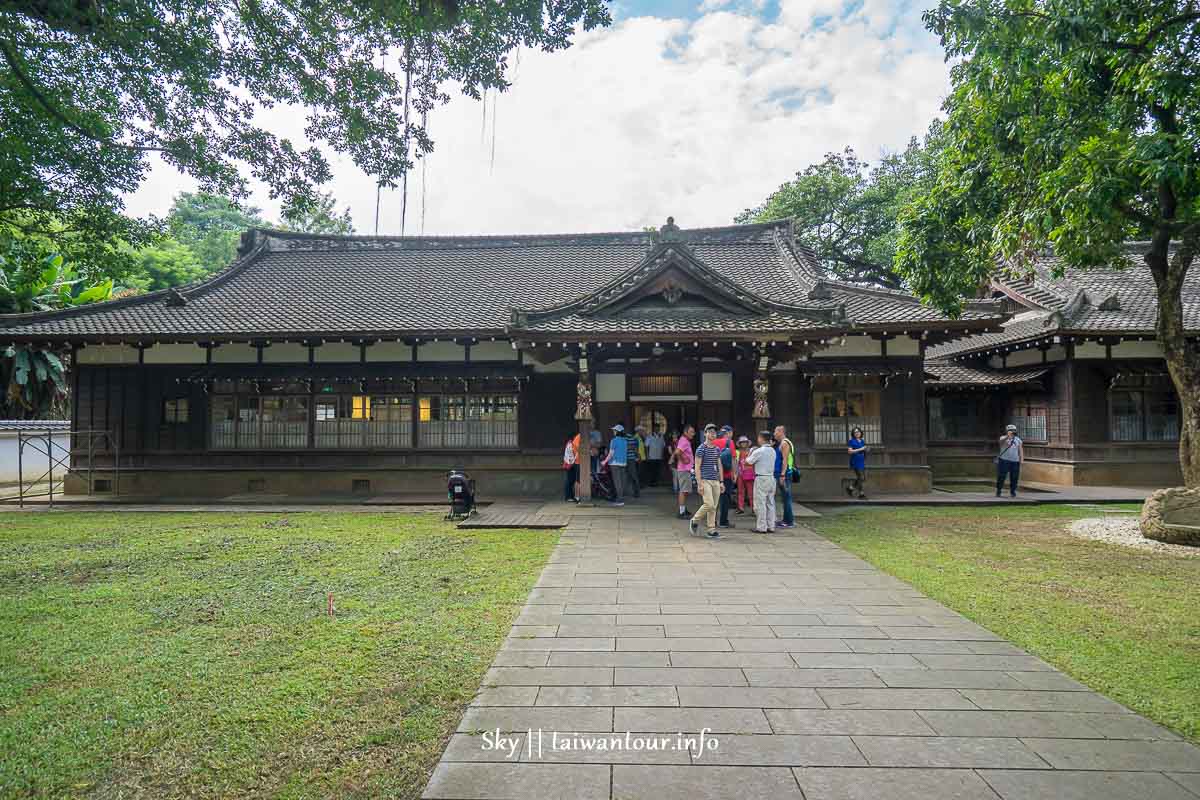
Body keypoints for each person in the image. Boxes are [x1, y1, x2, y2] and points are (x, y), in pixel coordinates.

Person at [689, 424, 723, 538]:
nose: (712, 434)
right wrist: (699, 484)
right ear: (705, 433)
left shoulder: (717, 449)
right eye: (710, 432)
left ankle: (711, 529)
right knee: (709, 503)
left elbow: (719, 465)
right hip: (705, 479)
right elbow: (697, 466)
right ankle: (695, 520)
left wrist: (721, 481)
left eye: (714, 432)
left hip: (715, 480)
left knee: (714, 506)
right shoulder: (701, 448)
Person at [746, 430, 778, 533]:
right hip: (771, 478)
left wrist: (751, 451)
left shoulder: (760, 450)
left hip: (761, 478)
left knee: (760, 503)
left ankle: (761, 527)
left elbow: (748, 461)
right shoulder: (773, 450)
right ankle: (771, 525)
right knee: (770, 503)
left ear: (761, 438)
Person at [713, 424, 736, 529]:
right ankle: (723, 521)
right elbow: (733, 459)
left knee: (713, 499)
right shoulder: (729, 442)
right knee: (725, 499)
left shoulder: (713, 442)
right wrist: (735, 473)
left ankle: (712, 521)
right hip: (726, 475)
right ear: (728, 433)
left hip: (713, 474)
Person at [773, 425, 795, 528]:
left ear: (781, 432)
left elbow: (785, 460)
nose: (774, 434)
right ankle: (785, 520)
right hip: (782, 473)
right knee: (785, 498)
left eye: (775, 432)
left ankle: (789, 521)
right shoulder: (781, 443)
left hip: (785, 474)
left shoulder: (785, 443)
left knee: (787, 498)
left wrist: (782, 475)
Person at [671, 424, 695, 519]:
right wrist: (683, 459)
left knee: (685, 490)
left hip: (685, 469)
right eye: (691, 432)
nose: (693, 434)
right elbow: (677, 452)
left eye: (693, 432)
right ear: (685, 432)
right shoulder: (684, 441)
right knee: (683, 490)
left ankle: (683, 509)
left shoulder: (684, 440)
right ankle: (681, 512)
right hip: (684, 470)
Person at [602, 424, 628, 507]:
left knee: (617, 482)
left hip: (615, 463)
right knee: (622, 481)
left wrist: (604, 461)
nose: (613, 431)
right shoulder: (625, 441)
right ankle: (621, 498)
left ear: (617, 432)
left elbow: (611, 454)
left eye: (614, 430)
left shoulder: (614, 440)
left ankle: (620, 500)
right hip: (623, 463)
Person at [996, 423, 1024, 498]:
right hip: (1004, 460)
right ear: (1007, 431)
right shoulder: (1003, 438)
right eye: (1010, 430)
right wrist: (1008, 436)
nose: (1012, 431)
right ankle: (999, 490)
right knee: (1001, 476)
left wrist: (1022, 460)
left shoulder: (1018, 440)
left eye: (1013, 430)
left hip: (1015, 461)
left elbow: (1020, 450)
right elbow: (1000, 442)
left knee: (1014, 477)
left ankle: (1013, 491)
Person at [846, 426, 867, 500]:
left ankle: (850, 488)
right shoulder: (851, 441)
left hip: (861, 461)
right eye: (855, 432)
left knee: (861, 478)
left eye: (858, 432)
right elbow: (850, 451)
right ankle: (861, 494)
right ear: (853, 434)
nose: (857, 433)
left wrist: (866, 450)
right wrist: (861, 449)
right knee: (860, 477)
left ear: (861, 433)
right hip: (855, 461)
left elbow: (864, 450)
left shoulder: (862, 441)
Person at [735, 436, 754, 514]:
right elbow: (735, 463)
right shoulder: (737, 452)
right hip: (740, 474)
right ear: (739, 444)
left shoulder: (751, 451)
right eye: (742, 442)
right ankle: (740, 507)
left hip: (749, 473)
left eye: (745, 442)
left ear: (747, 443)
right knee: (740, 491)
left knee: (751, 492)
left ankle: (754, 508)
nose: (743, 444)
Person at [563, 431, 581, 503]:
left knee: (572, 480)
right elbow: (570, 455)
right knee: (569, 481)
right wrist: (573, 463)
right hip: (570, 464)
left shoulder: (570, 443)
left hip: (570, 463)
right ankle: (568, 497)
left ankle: (571, 496)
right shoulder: (570, 444)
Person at [626, 426, 643, 499]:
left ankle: (635, 492)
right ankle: (636, 492)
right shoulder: (635, 439)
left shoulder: (625, 438)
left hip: (626, 459)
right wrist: (639, 457)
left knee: (630, 476)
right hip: (631, 459)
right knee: (633, 476)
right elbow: (636, 450)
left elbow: (635, 450)